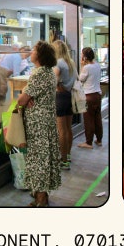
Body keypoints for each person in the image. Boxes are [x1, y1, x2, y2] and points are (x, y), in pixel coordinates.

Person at [16, 40, 61, 207]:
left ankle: (40, 200)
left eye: (34, 49)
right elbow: (29, 96)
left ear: (40, 55)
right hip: (47, 121)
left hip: (37, 124)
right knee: (44, 157)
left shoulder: (39, 73)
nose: (31, 51)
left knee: (38, 159)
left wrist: (24, 97)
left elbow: (21, 100)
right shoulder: (49, 72)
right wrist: (28, 97)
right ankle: (43, 195)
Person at [52, 39, 77, 170]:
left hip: (60, 97)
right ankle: (68, 154)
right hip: (70, 96)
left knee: (61, 130)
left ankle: (63, 160)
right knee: (68, 128)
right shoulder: (71, 62)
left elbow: (53, 80)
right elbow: (76, 79)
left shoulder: (58, 63)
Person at [76, 47, 103, 148]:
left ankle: (88, 142)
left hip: (88, 96)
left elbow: (80, 79)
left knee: (88, 119)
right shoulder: (97, 65)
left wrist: (82, 66)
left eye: (82, 54)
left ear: (85, 57)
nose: (81, 56)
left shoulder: (87, 68)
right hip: (97, 95)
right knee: (97, 118)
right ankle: (99, 140)